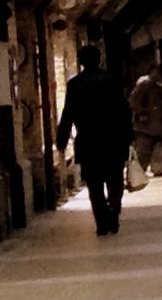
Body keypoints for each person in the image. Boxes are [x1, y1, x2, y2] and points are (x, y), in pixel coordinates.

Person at [55, 43, 133, 237]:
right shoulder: (112, 81)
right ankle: (114, 210)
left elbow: (68, 113)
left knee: (94, 184)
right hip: (113, 140)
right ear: (99, 60)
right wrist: (129, 136)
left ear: (81, 62)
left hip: (88, 141)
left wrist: (62, 139)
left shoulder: (75, 85)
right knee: (115, 180)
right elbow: (124, 110)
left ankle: (101, 221)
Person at [128, 58, 162, 184]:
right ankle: (139, 172)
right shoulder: (145, 85)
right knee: (144, 149)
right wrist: (141, 113)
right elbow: (134, 101)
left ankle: (158, 168)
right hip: (146, 124)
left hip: (155, 123)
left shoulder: (159, 86)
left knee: (157, 147)